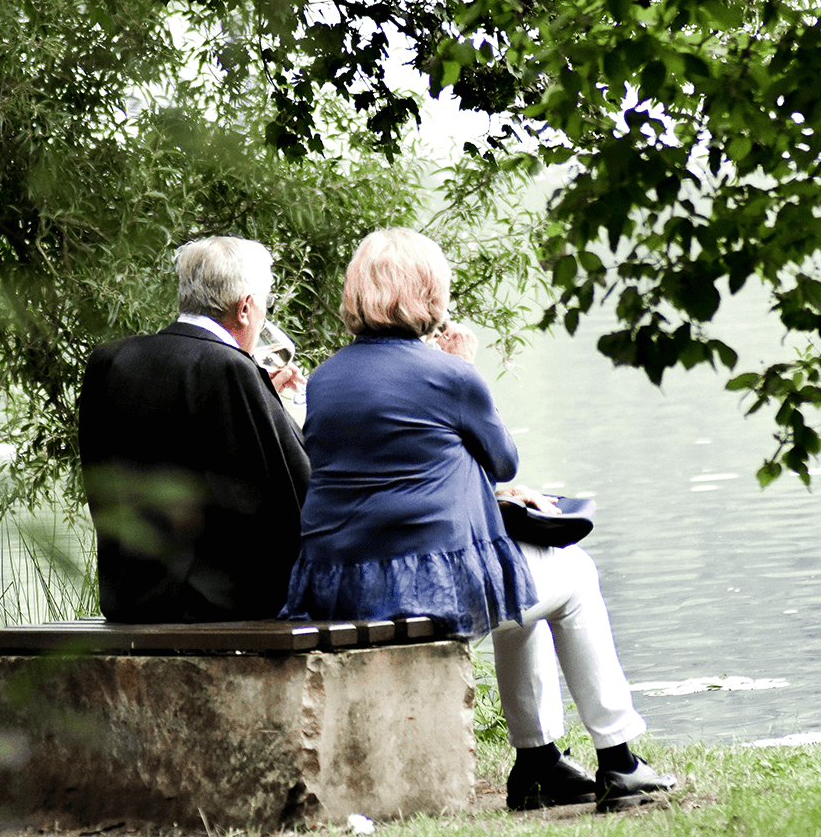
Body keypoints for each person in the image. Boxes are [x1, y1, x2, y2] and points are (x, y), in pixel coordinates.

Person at [282, 227, 677, 813]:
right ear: (428, 293)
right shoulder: (449, 375)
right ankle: (619, 760)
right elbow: (503, 459)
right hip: (423, 589)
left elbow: (398, 465)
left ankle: (539, 763)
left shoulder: (326, 379)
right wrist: (464, 367)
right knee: (575, 575)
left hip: (340, 585)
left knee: (523, 591)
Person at [78, 236, 309, 623]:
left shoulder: (109, 361)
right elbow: (293, 491)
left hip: (128, 599)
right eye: (266, 304)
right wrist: (281, 410)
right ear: (245, 308)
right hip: (217, 607)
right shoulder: (231, 369)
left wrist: (261, 395)